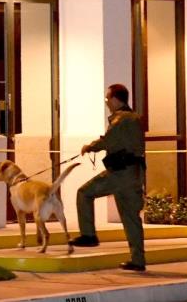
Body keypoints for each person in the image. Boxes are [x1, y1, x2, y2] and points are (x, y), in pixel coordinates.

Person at [70, 83, 147, 272]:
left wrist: (90, 147)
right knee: (131, 218)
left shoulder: (121, 120)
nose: (106, 103)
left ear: (114, 99)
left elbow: (107, 140)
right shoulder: (134, 118)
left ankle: (89, 235)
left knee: (84, 192)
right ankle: (138, 260)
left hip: (120, 173)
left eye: (107, 99)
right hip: (135, 173)